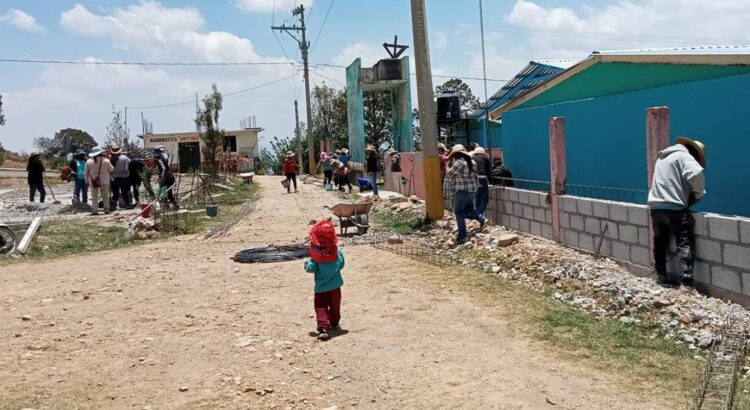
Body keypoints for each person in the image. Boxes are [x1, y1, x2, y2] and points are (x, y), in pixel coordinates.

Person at [647, 137, 706, 287]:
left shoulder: (662, 158)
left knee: (660, 242)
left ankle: (661, 277)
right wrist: (698, 194)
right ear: (694, 154)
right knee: (684, 242)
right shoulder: (684, 156)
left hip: (656, 207)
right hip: (674, 209)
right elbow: (696, 173)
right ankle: (686, 283)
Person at [304, 219, 345, 341]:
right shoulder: (337, 252)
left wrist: (306, 264)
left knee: (321, 307)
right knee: (335, 307)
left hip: (321, 288)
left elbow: (311, 269)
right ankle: (335, 324)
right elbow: (342, 263)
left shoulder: (316, 256)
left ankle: (323, 328)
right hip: (336, 287)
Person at [446, 144, 486, 244]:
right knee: (469, 208)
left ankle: (462, 235)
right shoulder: (472, 162)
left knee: (458, 212)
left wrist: (447, 166)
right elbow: (475, 176)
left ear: (456, 154)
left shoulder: (459, 163)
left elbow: (449, 174)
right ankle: (481, 218)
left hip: (462, 190)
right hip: (472, 190)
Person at [85, 146, 114, 215]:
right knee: (105, 195)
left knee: (94, 196)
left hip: (93, 180)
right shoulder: (106, 160)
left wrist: (86, 181)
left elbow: (85, 172)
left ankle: (95, 210)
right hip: (105, 180)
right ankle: (106, 209)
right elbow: (112, 169)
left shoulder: (88, 161)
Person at [471, 146, 492, 220]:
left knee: (478, 198)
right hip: (483, 179)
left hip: (474, 179)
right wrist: (490, 180)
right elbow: (489, 171)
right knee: (485, 200)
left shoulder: (472, 158)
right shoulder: (485, 158)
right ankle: (478, 216)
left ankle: (477, 215)